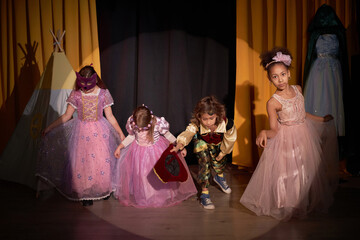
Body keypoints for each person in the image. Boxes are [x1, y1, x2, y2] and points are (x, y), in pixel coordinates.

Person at [239, 47, 339, 221]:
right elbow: (274, 129)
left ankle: (302, 202)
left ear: (289, 74)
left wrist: (321, 120)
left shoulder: (298, 89)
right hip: (287, 139)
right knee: (289, 173)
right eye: (275, 77)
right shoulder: (273, 103)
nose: (280, 79)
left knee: (304, 170)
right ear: (270, 80)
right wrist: (264, 132)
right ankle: (289, 205)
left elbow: (302, 113)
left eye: (283, 74)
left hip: (304, 134)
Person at [36, 65, 125, 206]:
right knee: (83, 162)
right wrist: (50, 127)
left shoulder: (103, 94)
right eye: (83, 86)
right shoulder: (76, 94)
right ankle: (86, 193)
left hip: (99, 131)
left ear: (95, 81)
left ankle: (103, 189)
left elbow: (110, 116)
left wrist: (120, 132)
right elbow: (66, 116)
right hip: (81, 131)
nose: (86, 89)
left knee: (101, 160)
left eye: (88, 86)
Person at [113, 105, 197, 208]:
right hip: (139, 153)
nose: (139, 129)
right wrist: (120, 146)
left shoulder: (157, 123)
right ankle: (145, 195)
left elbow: (168, 135)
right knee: (142, 175)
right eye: (138, 128)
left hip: (155, 152)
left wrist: (180, 146)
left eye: (142, 128)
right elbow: (131, 136)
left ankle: (159, 195)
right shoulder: (132, 122)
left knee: (157, 174)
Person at [171, 96, 237, 210]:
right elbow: (188, 133)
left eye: (211, 118)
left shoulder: (227, 123)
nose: (208, 122)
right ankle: (204, 194)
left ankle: (219, 177)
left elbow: (230, 138)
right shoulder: (196, 125)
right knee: (205, 164)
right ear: (199, 117)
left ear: (217, 115)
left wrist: (223, 152)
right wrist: (180, 144)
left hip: (217, 144)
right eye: (204, 119)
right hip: (202, 143)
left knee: (219, 160)